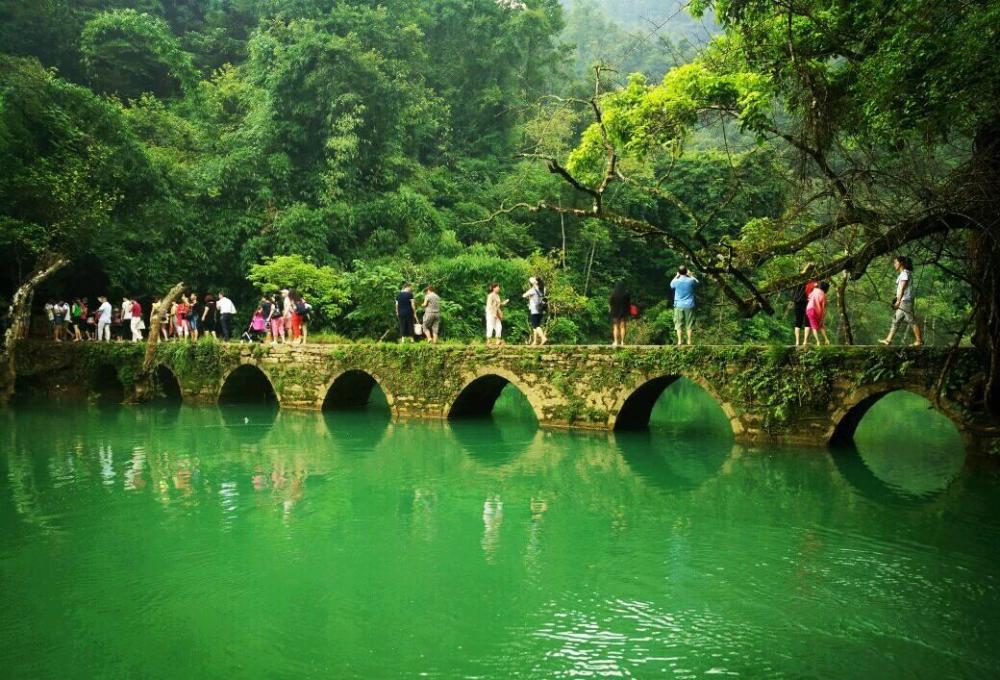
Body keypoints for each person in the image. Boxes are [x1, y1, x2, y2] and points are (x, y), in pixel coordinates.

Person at [879, 255, 923, 347]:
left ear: (901, 263)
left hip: (905, 301)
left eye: (895, 262)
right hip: (903, 301)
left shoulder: (905, 274)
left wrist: (898, 301)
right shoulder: (905, 273)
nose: (894, 264)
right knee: (896, 320)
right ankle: (888, 340)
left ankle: (919, 341)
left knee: (911, 320)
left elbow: (903, 288)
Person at [670, 266, 699, 346]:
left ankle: (679, 341)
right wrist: (690, 275)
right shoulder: (691, 281)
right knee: (689, 324)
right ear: (686, 272)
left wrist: (676, 276)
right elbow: (697, 282)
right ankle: (689, 341)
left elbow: (671, 284)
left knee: (678, 323)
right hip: (689, 305)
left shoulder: (676, 281)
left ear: (679, 272)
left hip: (678, 305)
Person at [792, 263, 817, 346]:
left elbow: (793, 289)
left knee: (798, 322)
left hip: (798, 302)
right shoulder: (813, 280)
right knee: (808, 322)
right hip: (808, 302)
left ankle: (797, 342)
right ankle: (805, 342)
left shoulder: (799, 278)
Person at [522, 277, 547, 346]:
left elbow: (523, 295)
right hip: (541, 310)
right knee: (535, 327)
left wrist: (529, 296)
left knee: (536, 326)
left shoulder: (532, 290)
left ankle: (543, 337)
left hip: (534, 310)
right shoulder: (543, 289)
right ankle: (535, 341)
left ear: (536, 282)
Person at [804, 281, 831, 346]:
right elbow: (824, 308)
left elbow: (809, 297)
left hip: (810, 309)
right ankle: (826, 340)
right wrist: (822, 317)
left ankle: (818, 341)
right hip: (818, 312)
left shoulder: (814, 290)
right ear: (826, 288)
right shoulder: (824, 295)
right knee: (821, 326)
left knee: (813, 327)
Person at [609, 282, 630, 346]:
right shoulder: (626, 294)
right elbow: (628, 303)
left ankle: (615, 341)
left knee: (615, 326)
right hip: (623, 312)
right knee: (622, 327)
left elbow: (610, 303)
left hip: (615, 312)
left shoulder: (613, 294)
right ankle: (622, 342)